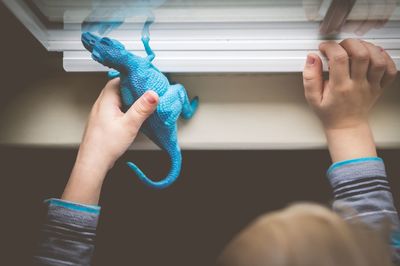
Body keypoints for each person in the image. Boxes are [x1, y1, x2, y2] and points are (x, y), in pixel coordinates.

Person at [33, 39, 399, 265]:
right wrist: (346, 125)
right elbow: (379, 241)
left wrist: (93, 157)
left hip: (160, 108)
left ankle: (185, 108)